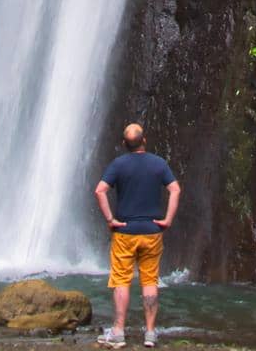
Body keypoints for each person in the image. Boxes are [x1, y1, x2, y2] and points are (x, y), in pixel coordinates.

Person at [94, 122, 181, 347]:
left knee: (122, 280)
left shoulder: (118, 164)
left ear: (124, 144)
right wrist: (168, 219)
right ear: (144, 140)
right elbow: (175, 189)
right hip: (152, 232)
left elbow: (100, 190)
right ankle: (150, 334)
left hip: (125, 232)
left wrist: (110, 219)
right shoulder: (159, 163)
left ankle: (118, 331)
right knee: (150, 280)